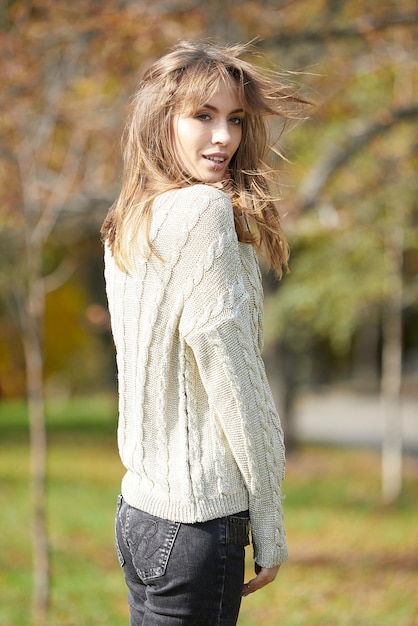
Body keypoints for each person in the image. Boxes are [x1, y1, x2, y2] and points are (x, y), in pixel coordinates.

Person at [101, 40, 306, 626]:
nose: (224, 138)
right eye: (203, 116)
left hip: (139, 513)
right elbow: (234, 377)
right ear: (160, 121)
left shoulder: (130, 219)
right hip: (196, 522)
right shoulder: (204, 214)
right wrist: (268, 522)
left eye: (236, 120)